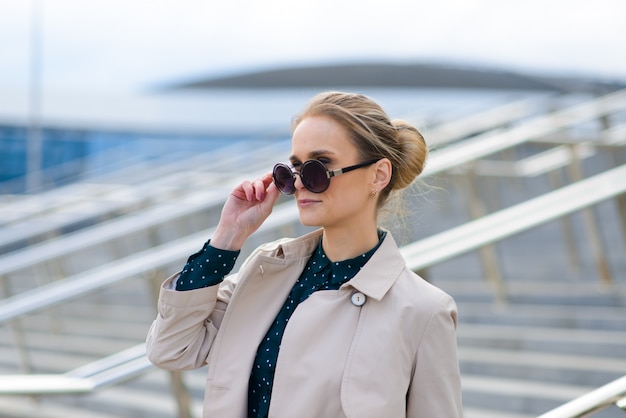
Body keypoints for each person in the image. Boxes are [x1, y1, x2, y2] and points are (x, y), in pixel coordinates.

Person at [146, 91, 463, 418]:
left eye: (318, 168)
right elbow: (171, 349)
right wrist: (229, 234)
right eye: (292, 169)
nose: (298, 184)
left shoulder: (424, 311)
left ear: (378, 175)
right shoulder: (267, 270)